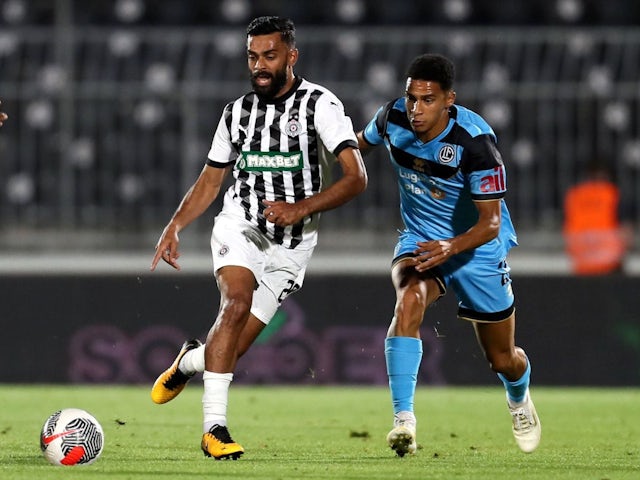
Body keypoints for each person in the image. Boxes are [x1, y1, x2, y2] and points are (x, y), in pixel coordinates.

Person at [149, 16, 367, 460]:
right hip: (241, 225)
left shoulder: (320, 106)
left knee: (230, 348)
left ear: (292, 56)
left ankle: (190, 360)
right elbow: (211, 180)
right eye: (253, 56)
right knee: (235, 304)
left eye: (269, 55)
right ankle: (215, 430)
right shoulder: (236, 112)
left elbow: (356, 178)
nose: (259, 65)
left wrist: (301, 208)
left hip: (293, 244)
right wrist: (175, 225)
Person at [355, 54, 541, 456]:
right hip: (421, 239)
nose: (416, 110)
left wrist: (452, 247)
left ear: (448, 101)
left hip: (475, 247)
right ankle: (404, 421)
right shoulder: (392, 118)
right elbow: (356, 145)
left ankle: (518, 398)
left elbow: (490, 222)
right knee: (408, 301)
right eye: (411, 99)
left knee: (502, 359)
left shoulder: (475, 144)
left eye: (427, 100)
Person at [563, 160, 632, 275]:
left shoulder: (573, 195)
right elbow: (626, 231)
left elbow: (567, 227)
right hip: (610, 264)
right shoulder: (612, 194)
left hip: (581, 264)